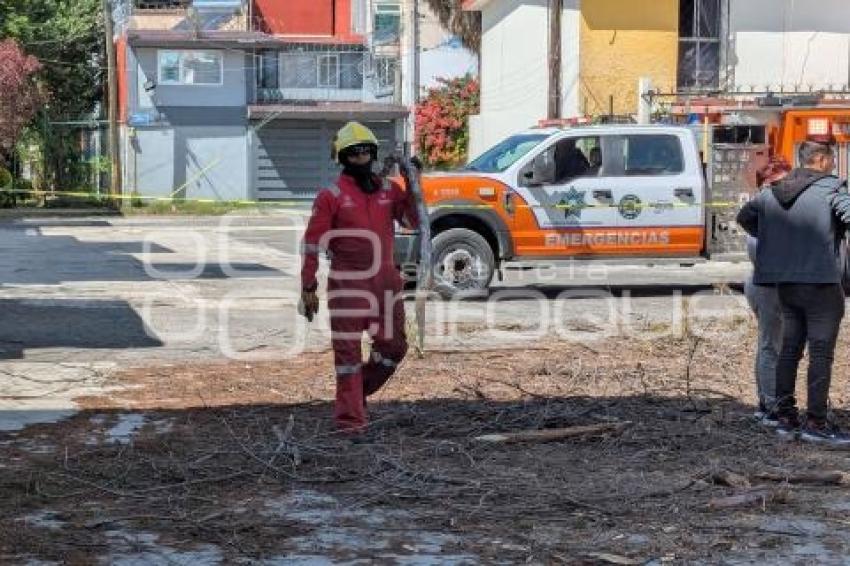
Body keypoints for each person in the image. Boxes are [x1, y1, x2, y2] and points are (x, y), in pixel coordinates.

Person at [299, 122, 419, 433]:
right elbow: (312, 243)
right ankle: (350, 423)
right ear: (342, 157)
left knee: (394, 348)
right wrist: (308, 284)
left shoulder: (390, 191)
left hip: (386, 286)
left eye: (366, 151)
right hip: (348, 287)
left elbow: (411, 220)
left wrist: (414, 184)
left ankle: (354, 396)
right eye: (354, 153)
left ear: (374, 154)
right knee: (348, 358)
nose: (362, 156)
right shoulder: (331, 196)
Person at [737, 138, 850, 445]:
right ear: (824, 160)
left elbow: (744, 217)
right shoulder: (831, 189)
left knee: (789, 349)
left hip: (785, 282)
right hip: (822, 282)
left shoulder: (773, 191)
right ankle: (816, 422)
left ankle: (784, 416)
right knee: (821, 352)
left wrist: (779, 240)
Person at [744, 156, 791, 427]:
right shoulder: (762, 211)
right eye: (777, 183)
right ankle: (771, 406)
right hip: (767, 286)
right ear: (765, 185)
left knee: (774, 345)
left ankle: (768, 402)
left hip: (770, 285)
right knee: (771, 346)